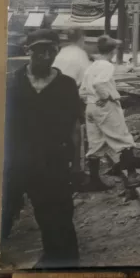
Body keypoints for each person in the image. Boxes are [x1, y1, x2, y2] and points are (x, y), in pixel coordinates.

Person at [3, 29, 81, 268]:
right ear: (29, 52)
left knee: (57, 212)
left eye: (51, 51)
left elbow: (75, 127)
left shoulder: (66, 85)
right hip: (16, 159)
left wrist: (77, 164)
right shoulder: (13, 83)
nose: (45, 56)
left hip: (53, 160)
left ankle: (61, 260)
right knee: (4, 209)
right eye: (39, 51)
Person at [80, 35, 140, 190]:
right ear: (112, 51)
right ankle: (132, 176)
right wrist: (106, 97)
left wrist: (91, 100)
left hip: (91, 107)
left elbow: (82, 90)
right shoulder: (106, 65)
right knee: (123, 139)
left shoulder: (92, 66)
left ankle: (94, 180)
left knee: (95, 143)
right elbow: (99, 83)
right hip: (104, 107)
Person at [52, 28, 91, 185]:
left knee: (56, 133)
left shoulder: (62, 52)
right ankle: (76, 169)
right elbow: (86, 81)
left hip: (53, 92)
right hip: (70, 93)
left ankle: (57, 168)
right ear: (81, 38)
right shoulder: (81, 55)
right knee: (76, 131)